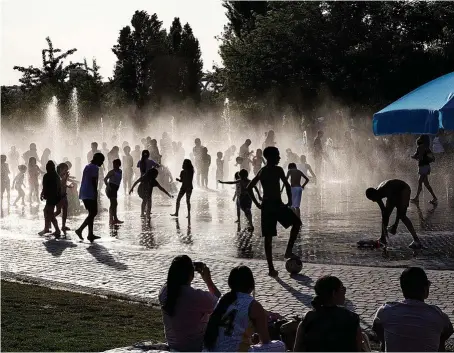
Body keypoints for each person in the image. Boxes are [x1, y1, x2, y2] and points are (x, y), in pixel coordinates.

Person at [247, 147, 302, 277]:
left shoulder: (263, 171)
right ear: (270, 157)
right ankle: (288, 251)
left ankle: (271, 269)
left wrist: (258, 203)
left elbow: (249, 187)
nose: (279, 158)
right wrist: (289, 202)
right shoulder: (278, 170)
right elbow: (287, 186)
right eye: (277, 155)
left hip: (267, 206)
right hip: (276, 205)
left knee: (268, 238)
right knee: (296, 223)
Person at [373, 267, 453, 352]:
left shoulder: (386, 311)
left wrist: (384, 343)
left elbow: (376, 327)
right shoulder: (437, 315)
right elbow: (449, 330)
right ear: (425, 289)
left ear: (403, 289)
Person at [204, 266, 282, 352]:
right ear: (251, 285)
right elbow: (265, 341)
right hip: (237, 350)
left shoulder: (223, 301)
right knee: (280, 345)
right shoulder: (253, 305)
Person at [159, 255, 221, 352]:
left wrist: (189, 267)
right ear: (191, 275)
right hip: (196, 348)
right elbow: (217, 298)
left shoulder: (164, 292)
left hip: (174, 346)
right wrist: (208, 280)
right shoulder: (195, 296)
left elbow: (170, 282)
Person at [293, 276, 363, 352]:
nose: (344, 291)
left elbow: (297, 349)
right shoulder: (352, 318)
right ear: (334, 293)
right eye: (343, 288)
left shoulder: (309, 318)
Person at [366, 179, 422, 249]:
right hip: (394, 191)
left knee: (402, 216)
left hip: (403, 189)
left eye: (373, 199)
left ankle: (416, 240)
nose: (373, 201)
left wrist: (395, 225)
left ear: (375, 194)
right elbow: (384, 214)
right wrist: (384, 232)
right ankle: (383, 238)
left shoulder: (386, 190)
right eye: (371, 200)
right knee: (386, 214)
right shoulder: (377, 194)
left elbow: (398, 209)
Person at [75, 152, 105, 242]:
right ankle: (80, 230)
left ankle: (90, 234)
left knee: (91, 213)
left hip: (84, 192)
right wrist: (96, 193)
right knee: (93, 212)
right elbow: (93, 181)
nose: (102, 163)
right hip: (90, 192)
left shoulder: (87, 166)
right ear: (98, 160)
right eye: (102, 161)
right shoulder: (95, 168)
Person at [410, 135, 437, 205]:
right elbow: (432, 158)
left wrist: (414, 157)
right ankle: (434, 197)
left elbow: (420, 157)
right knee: (426, 184)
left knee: (420, 182)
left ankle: (416, 198)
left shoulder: (420, 147)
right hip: (426, 166)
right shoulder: (426, 148)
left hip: (423, 167)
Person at [39, 161, 62, 238]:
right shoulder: (56, 176)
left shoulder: (47, 175)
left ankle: (56, 230)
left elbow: (45, 187)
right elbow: (58, 187)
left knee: (50, 213)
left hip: (51, 197)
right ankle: (47, 228)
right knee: (46, 211)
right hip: (55, 197)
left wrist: (43, 194)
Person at [54, 163, 73, 234]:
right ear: (60, 169)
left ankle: (63, 225)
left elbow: (64, 184)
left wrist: (69, 184)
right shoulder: (58, 177)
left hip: (64, 195)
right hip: (59, 196)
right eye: (65, 170)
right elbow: (61, 183)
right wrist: (66, 179)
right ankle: (50, 219)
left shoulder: (63, 176)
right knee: (58, 211)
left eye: (67, 170)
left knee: (65, 211)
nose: (66, 171)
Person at [104, 158, 123, 225]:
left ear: (119, 164)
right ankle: (111, 219)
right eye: (113, 164)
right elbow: (105, 179)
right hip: (111, 189)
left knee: (114, 204)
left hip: (115, 189)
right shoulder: (112, 172)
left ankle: (114, 219)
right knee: (113, 203)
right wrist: (107, 186)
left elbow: (119, 180)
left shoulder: (120, 171)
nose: (114, 166)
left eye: (116, 164)